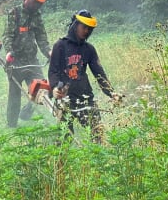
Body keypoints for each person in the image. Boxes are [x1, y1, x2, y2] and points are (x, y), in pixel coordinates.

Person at [48, 9, 122, 143]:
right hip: (65, 98)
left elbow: (99, 74)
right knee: (64, 139)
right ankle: (60, 163)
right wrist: (54, 88)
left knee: (97, 135)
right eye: (84, 27)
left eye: (89, 29)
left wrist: (111, 93)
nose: (86, 31)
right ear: (76, 25)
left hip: (85, 98)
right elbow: (53, 71)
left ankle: (97, 162)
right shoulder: (60, 46)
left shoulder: (89, 49)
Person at [2, 0, 51, 128]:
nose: (37, 6)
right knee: (15, 95)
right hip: (16, 61)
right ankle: (11, 125)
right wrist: (9, 52)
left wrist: (48, 52)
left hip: (32, 60)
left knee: (41, 89)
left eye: (39, 4)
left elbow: (41, 37)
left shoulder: (37, 16)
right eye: (35, 2)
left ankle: (27, 112)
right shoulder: (15, 13)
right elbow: (7, 35)